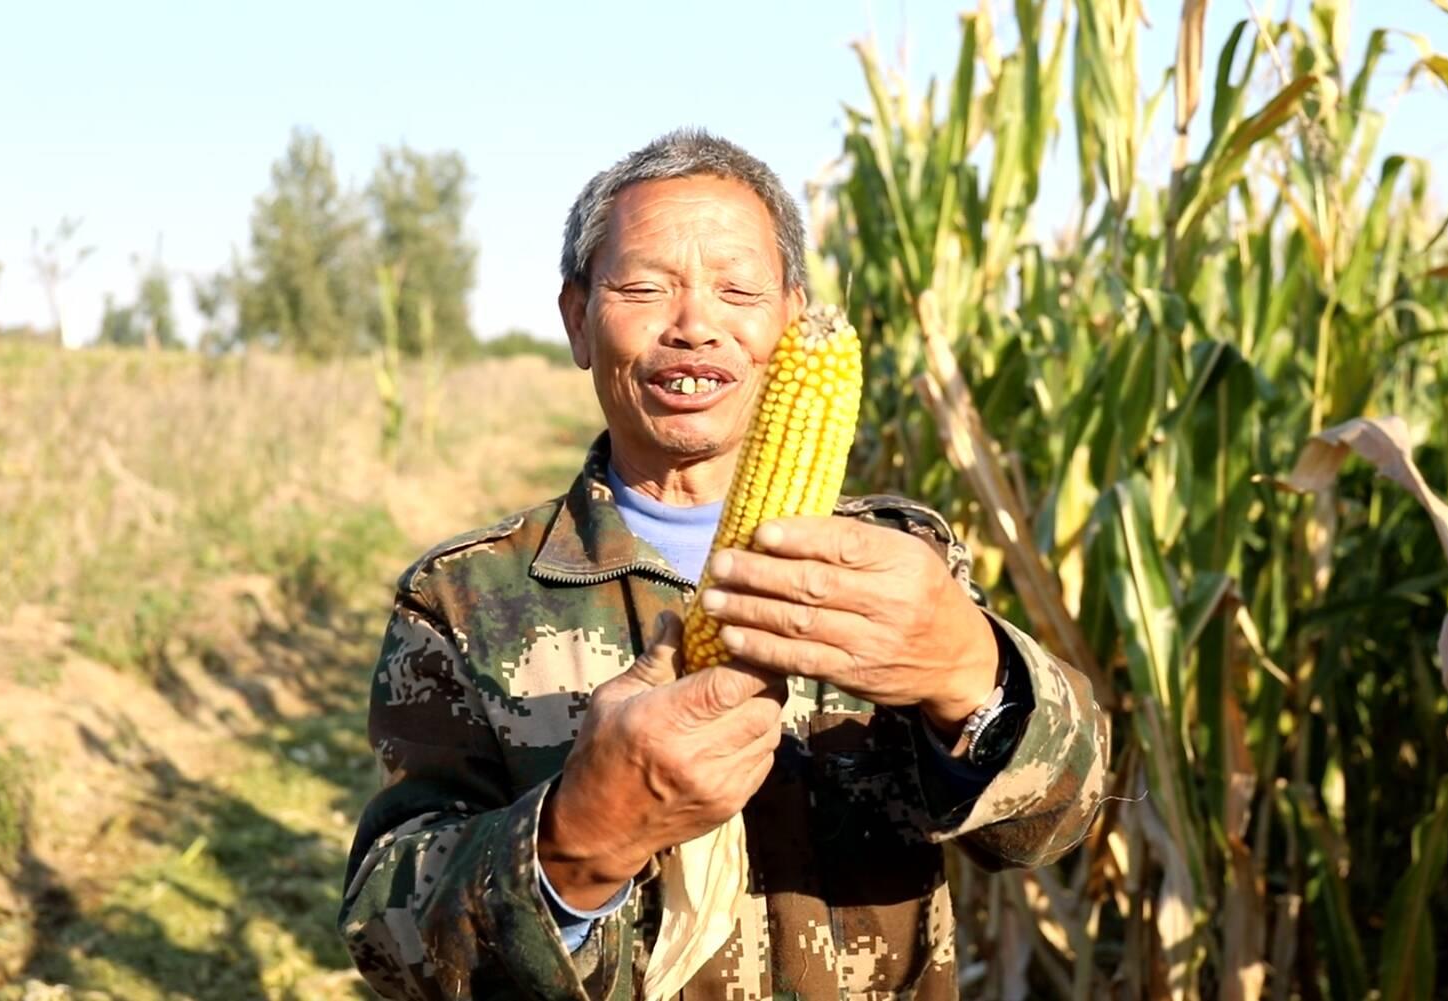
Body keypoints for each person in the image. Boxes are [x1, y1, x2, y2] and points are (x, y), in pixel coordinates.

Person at [338, 128, 1108, 1000]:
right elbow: (389, 938)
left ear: (789, 316)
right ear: (577, 320)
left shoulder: (902, 561)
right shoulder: (463, 597)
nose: (695, 326)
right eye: (642, 287)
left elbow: (1054, 825)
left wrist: (973, 669)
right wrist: (578, 841)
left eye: (738, 290)